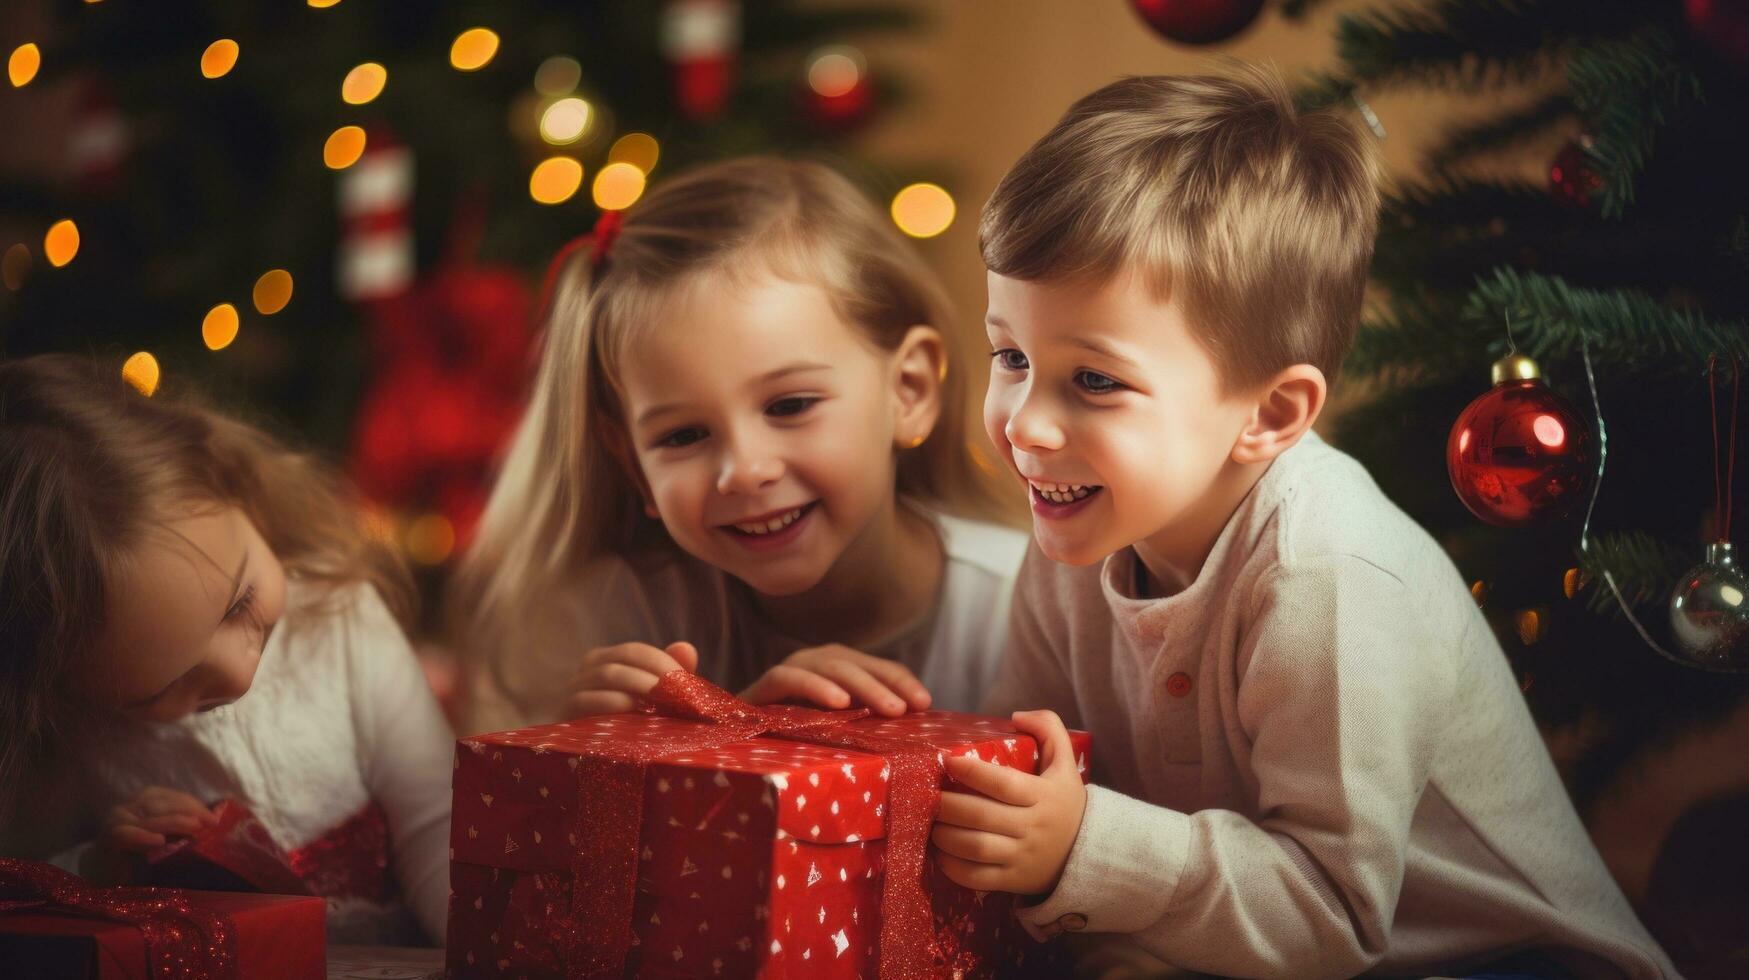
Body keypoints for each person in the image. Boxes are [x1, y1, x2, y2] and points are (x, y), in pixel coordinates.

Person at [930, 68, 1678, 979]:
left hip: (1502, 961)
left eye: (1094, 380)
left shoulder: (1327, 574)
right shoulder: (1071, 535)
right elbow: (1022, 776)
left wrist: (1087, 847)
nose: (1023, 424)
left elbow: (1333, 916)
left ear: (1271, 414)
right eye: (1010, 354)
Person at [454, 157, 1027, 734]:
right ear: (632, 464)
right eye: (683, 436)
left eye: (789, 406)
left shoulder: (1029, 609)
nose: (745, 471)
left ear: (909, 390)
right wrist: (616, 757)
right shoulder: (617, 623)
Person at [0, 354, 453, 945]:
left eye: (239, 602)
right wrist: (99, 871)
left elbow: (440, 822)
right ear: (60, 685)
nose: (239, 672)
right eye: (163, 689)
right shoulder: (68, 739)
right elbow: (21, 890)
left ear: (232, 483)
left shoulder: (342, 623)